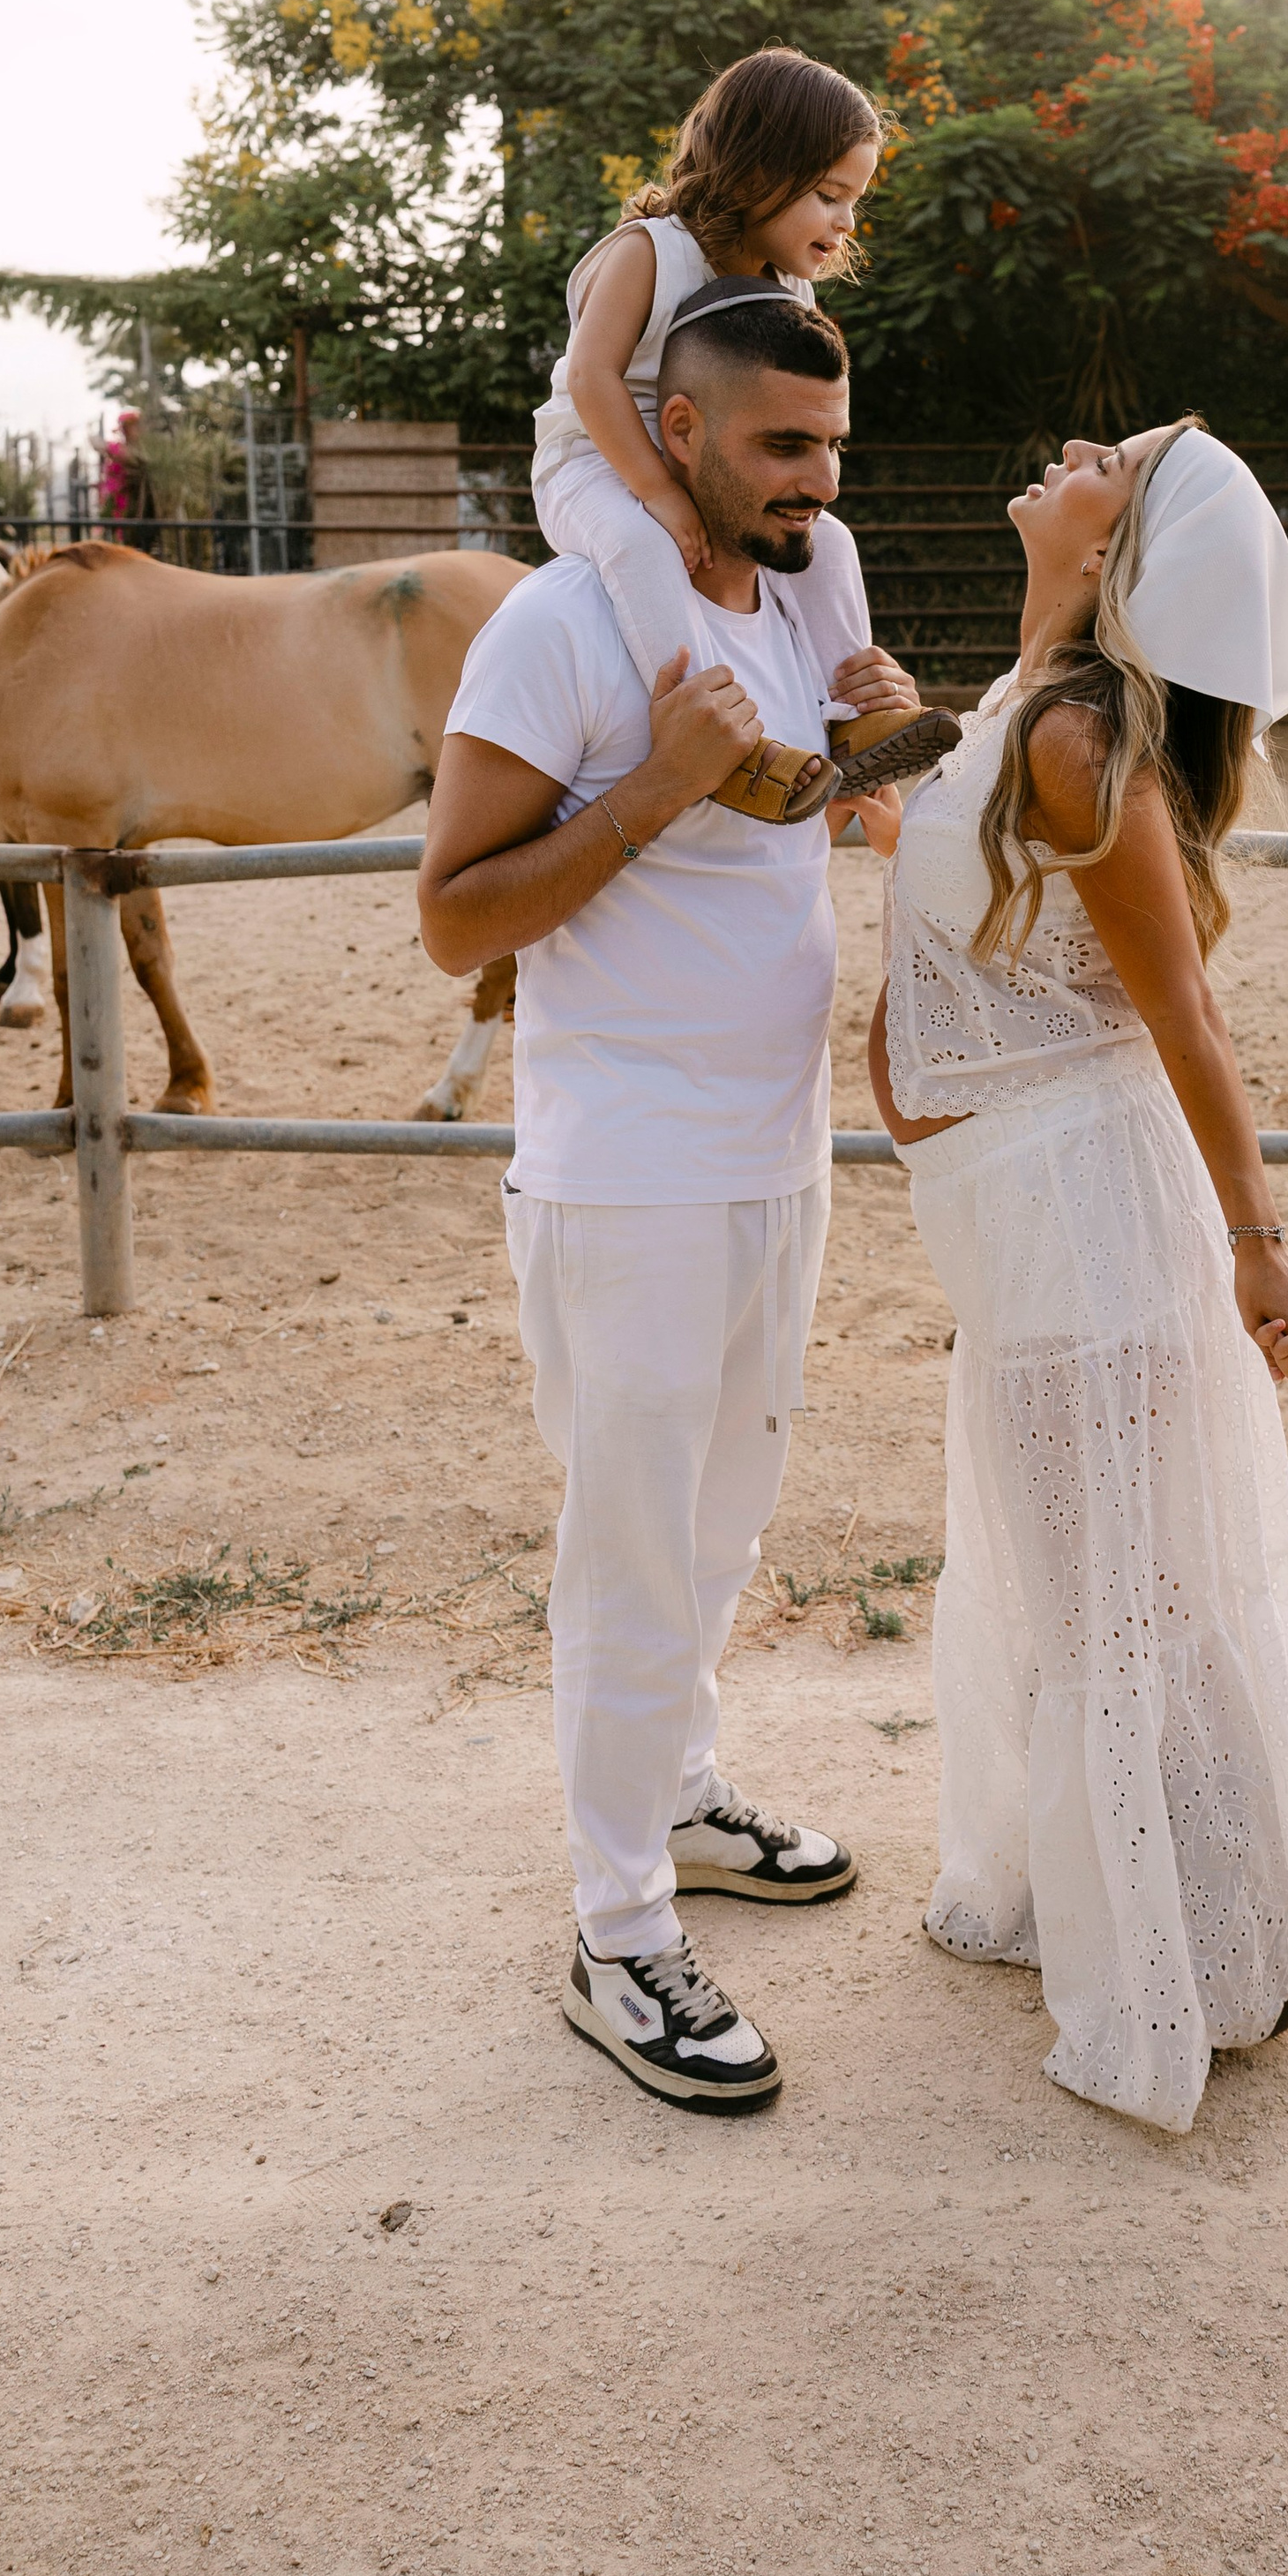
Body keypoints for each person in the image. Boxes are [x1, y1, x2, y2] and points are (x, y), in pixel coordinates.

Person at [418, 287, 918, 2114]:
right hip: (626, 1174)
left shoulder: (804, 602)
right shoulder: (561, 628)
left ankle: (679, 1796)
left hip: (779, 1153)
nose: (817, 481)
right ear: (679, 432)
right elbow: (453, 918)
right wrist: (651, 789)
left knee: (719, 1530)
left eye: (833, 447)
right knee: (631, 1552)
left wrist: (893, 742)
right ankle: (617, 1932)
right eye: (783, 446)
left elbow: (852, 821)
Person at [866, 418, 1288, 2135]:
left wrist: (1256, 1247)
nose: (1073, 446)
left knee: (1121, 1592)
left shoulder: (1079, 735)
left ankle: (1210, 1967)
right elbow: (984, 895)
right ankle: (1122, 1910)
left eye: (1112, 458)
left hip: (1080, 1211)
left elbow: (1186, 1017)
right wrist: (893, 783)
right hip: (1009, 1212)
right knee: (1074, 1571)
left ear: (1117, 556)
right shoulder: (1033, 699)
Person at [532, 45, 956, 822]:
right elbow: (592, 378)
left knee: (832, 544)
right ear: (761, 173)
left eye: (854, 200)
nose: (847, 221)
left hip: (709, 464)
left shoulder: (785, 287)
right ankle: (716, 742)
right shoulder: (649, 252)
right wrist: (657, 490)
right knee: (640, 545)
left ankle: (852, 717)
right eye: (830, 194)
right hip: (597, 457)